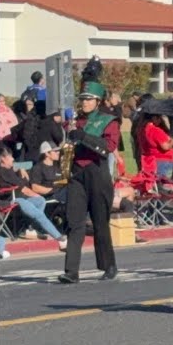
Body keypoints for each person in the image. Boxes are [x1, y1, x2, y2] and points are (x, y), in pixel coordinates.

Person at [59, 58, 120, 284]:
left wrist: (84, 137)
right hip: (77, 174)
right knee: (74, 222)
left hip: (97, 173)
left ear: (97, 101)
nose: (83, 103)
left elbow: (108, 148)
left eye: (88, 100)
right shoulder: (76, 121)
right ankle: (71, 271)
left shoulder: (108, 121)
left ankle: (109, 264)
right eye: (82, 99)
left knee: (100, 222)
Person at [0, 146, 66, 246]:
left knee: (40, 201)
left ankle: (30, 228)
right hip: (10, 201)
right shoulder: (3, 171)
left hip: (18, 199)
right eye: (10, 156)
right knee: (38, 208)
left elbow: (20, 182)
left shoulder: (9, 170)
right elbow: (24, 189)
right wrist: (36, 194)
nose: (13, 158)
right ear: (3, 159)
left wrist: (20, 168)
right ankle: (58, 237)